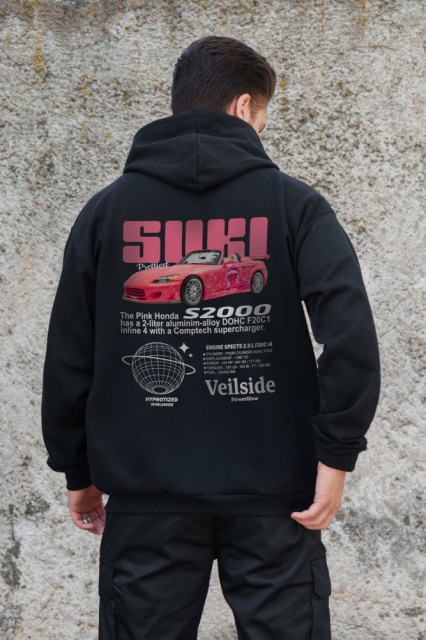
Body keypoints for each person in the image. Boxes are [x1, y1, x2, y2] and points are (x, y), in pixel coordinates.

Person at [40, 35, 381, 640]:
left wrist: (77, 471)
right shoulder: (294, 205)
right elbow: (349, 334)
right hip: (277, 495)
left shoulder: (107, 212)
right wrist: (336, 458)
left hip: (147, 496)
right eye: (263, 116)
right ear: (244, 106)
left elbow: (70, 353)